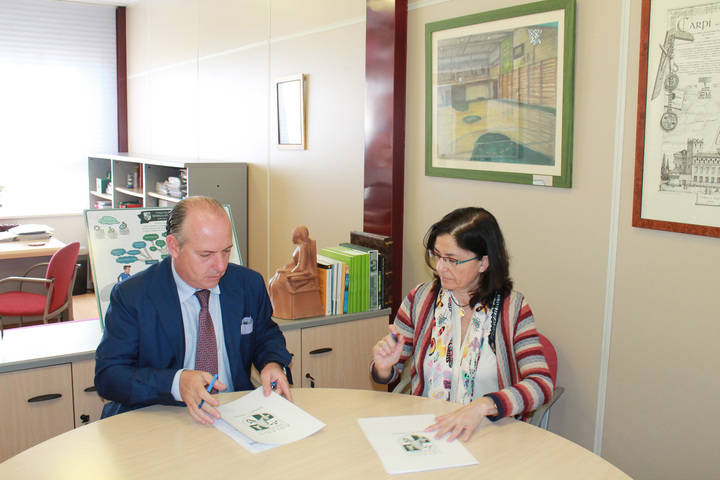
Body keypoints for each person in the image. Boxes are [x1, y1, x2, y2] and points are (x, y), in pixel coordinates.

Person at [95, 196, 292, 425]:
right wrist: (176, 382)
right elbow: (109, 376)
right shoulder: (134, 296)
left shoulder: (248, 284)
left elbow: (266, 335)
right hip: (163, 418)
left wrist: (272, 363)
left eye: (226, 251)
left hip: (235, 414)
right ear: (174, 246)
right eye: (206, 255)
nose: (220, 266)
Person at [371, 207, 552, 442]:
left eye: (452, 260)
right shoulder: (422, 299)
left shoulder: (513, 308)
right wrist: (384, 367)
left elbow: (541, 384)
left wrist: (483, 406)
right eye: (436, 255)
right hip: (428, 433)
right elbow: (389, 372)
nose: (439, 267)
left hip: (488, 434)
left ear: (483, 263)